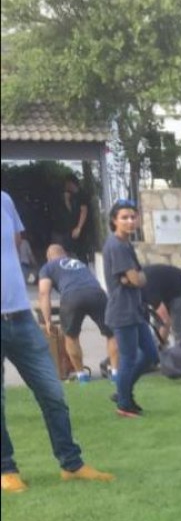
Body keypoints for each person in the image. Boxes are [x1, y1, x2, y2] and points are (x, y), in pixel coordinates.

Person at [1, 191, 114, 493]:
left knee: (52, 392)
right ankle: (6, 469)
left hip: (20, 316)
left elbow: (14, 244)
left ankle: (71, 464)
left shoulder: (5, 201)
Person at [103, 200, 157, 418]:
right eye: (124, 217)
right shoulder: (116, 246)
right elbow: (137, 279)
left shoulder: (126, 244)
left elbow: (137, 278)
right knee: (128, 358)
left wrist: (135, 278)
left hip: (135, 309)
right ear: (114, 220)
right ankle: (124, 404)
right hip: (122, 311)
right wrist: (135, 278)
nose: (130, 221)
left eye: (133, 217)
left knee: (150, 354)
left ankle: (123, 391)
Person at [38, 244, 119, 382]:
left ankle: (81, 376)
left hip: (71, 296)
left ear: (48, 258)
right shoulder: (79, 263)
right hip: (96, 293)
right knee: (112, 333)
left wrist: (47, 320)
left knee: (71, 337)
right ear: (64, 253)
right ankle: (116, 372)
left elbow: (43, 293)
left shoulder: (48, 267)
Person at [140, 264, 181, 346]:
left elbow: (165, 321)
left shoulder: (147, 291)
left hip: (180, 287)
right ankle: (162, 349)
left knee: (178, 331)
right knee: (157, 327)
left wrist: (160, 346)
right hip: (162, 288)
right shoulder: (135, 291)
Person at [51, 174, 90, 262]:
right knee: (71, 251)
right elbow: (71, 211)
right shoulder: (71, 196)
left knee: (81, 252)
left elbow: (84, 211)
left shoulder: (81, 195)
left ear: (71, 183)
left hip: (80, 229)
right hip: (71, 228)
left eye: (66, 184)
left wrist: (79, 227)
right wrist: (67, 201)